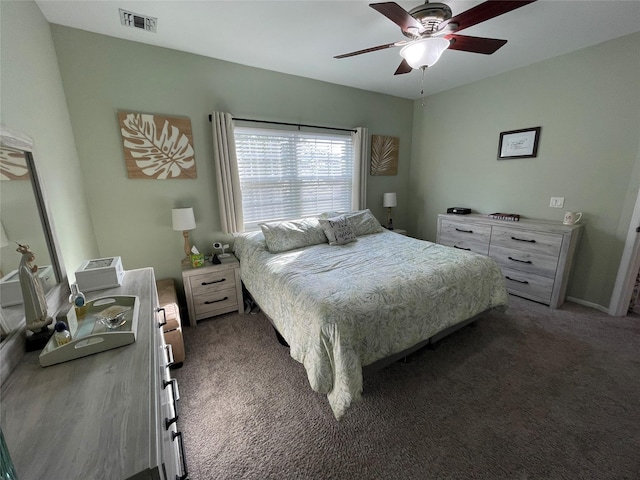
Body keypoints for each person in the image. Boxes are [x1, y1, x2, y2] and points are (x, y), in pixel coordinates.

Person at [16, 244, 52, 333]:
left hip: (35, 289)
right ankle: (35, 320)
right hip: (31, 292)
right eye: (31, 257)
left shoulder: (27, 266)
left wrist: (33, 271)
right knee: (34, 304)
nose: (33, 258)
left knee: (39, 302)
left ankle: (41, 317)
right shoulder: (23, 268)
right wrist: (34, 272)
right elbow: (29, 279)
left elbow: (31, 276)